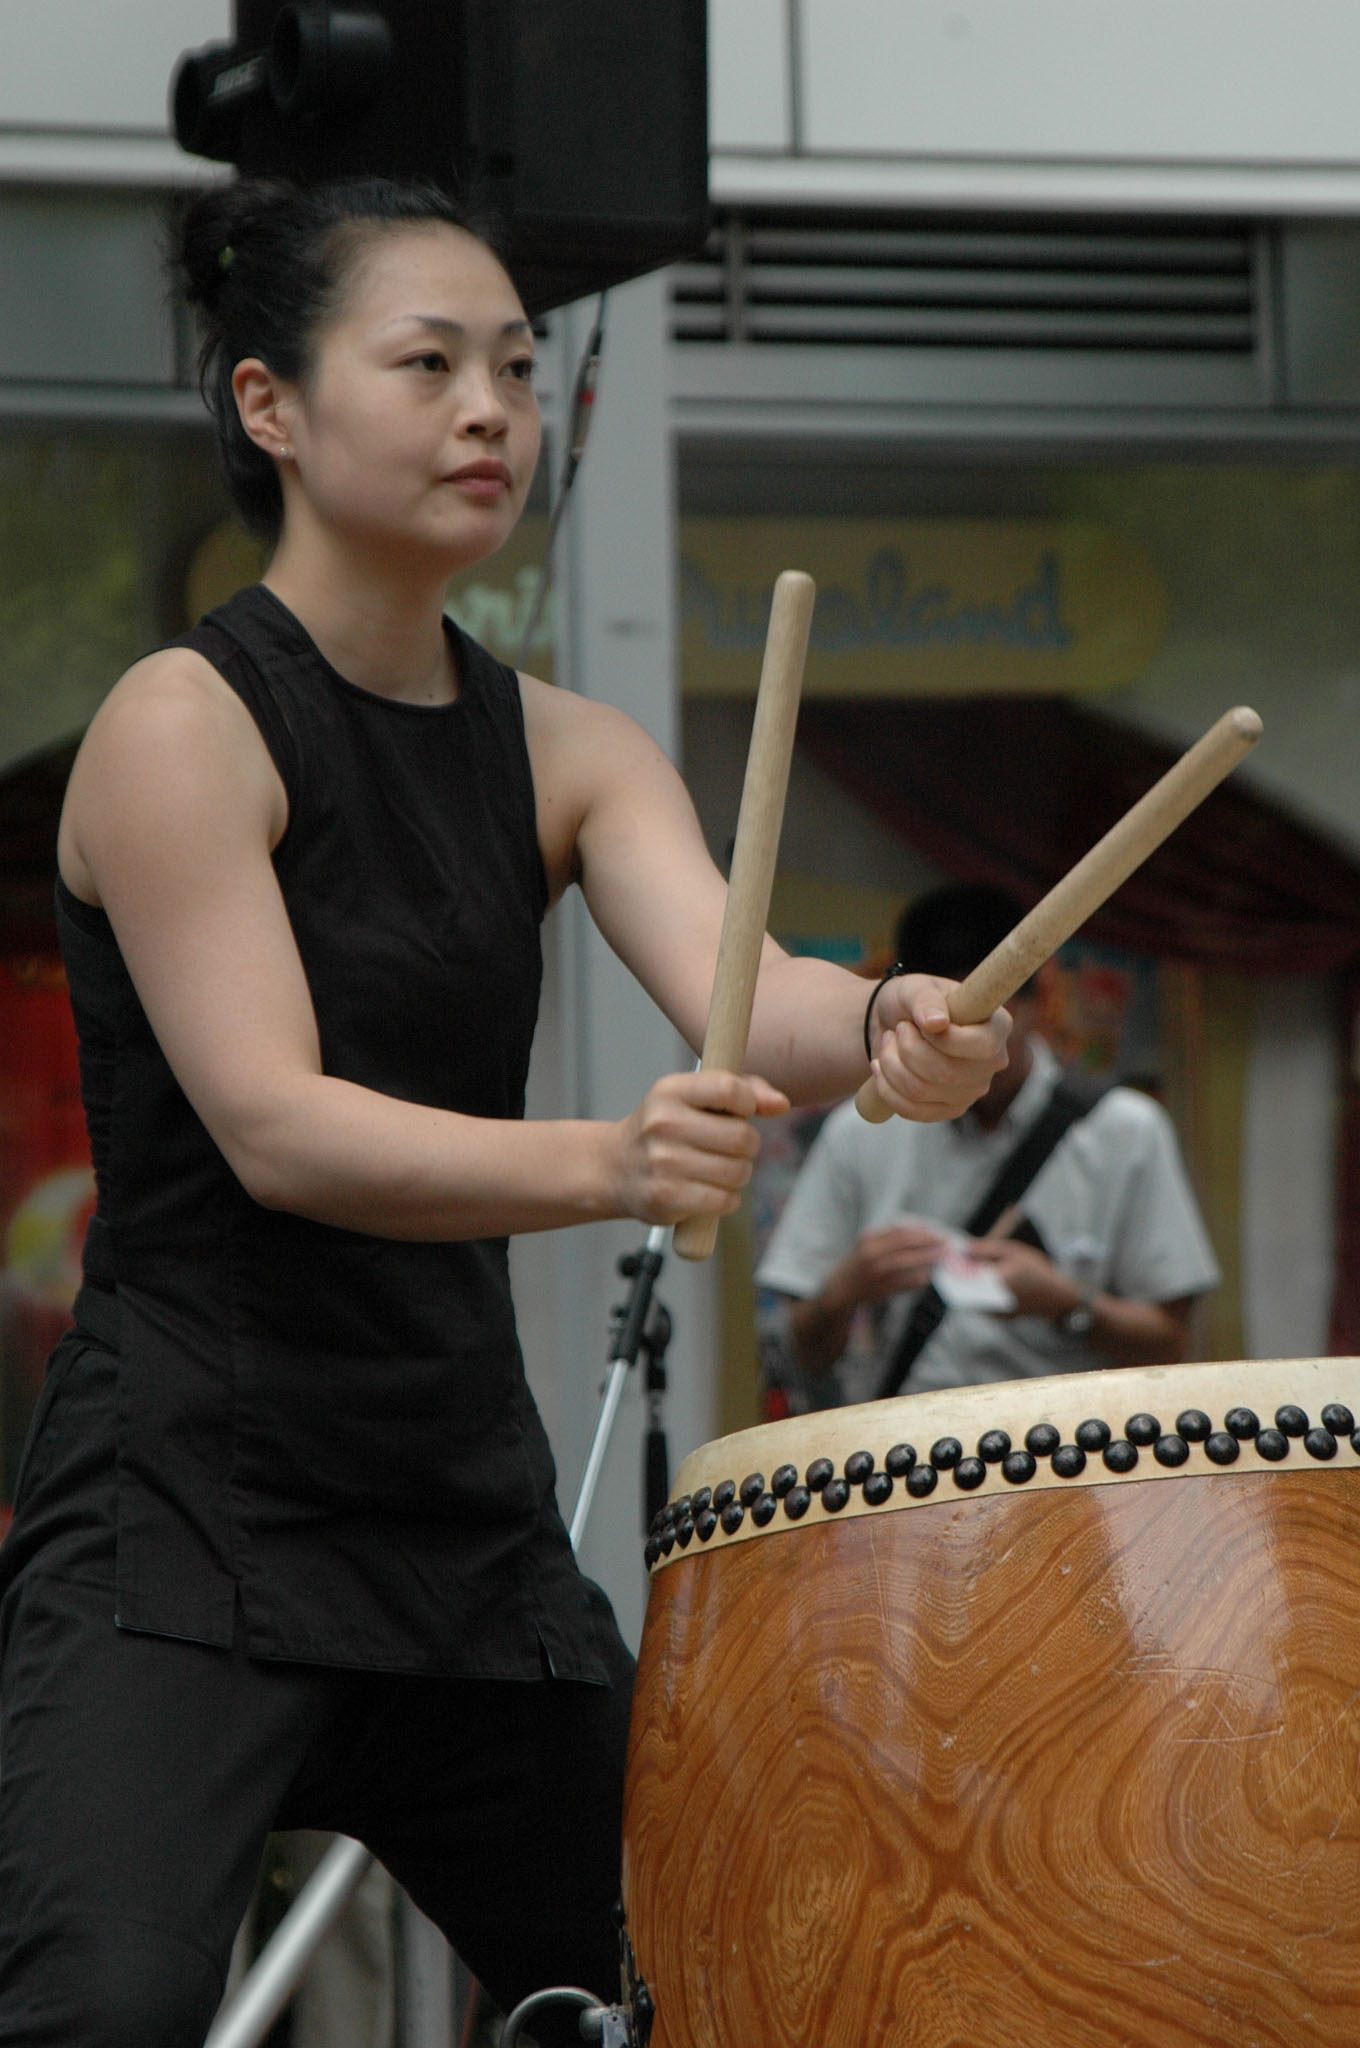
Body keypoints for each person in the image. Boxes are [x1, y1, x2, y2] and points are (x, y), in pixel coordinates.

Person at [0, 177, 1010, 2048]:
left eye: (521, 371)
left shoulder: (569, 749)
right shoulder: (183, 723)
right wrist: (613, 1162)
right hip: (189, 1510)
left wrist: (890, 1018)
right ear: (269, 404)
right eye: (430, 363)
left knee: (726, 1980)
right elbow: (277, 1128)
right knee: (100, 2014)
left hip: (456, 1519)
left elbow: (747, 991)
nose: (493, 411)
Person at [757, 884, 1220, 1408]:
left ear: (1040, 997)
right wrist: (846, 1289)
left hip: (1069, 1441)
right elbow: (802, 1355)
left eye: (986, 1019)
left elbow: (1174, 1344)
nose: (964, 1047)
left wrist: (1065, 1305)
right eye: (942, 1024)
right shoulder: (861, 1129)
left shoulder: (1127, 1130)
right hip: (908, 1439)